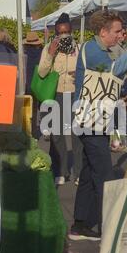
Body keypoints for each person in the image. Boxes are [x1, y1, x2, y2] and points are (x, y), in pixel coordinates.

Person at [69, 10, 127, 241]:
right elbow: (113, 71)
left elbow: (116, 85)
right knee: (104, 175)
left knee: (90, 172)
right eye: (116, 32)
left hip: (95, 120)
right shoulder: (92, 50)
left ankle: (79, 225)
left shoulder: (103, 50)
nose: (120, 36)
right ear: (103, 32)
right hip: (90, 120)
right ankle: (109, 228)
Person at [38, 13, 83, 186]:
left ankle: (78, 172)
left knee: (76, 134)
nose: (63, 36)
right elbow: (42, 72)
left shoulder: (78, 48)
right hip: (55, 94)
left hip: (74, 94)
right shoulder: (49, 48)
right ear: (56, 33)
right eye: (60, 33)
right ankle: (61, 171)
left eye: (66, 33)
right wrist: (50, 54)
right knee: (57, 134)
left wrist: (77, 74)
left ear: (71, 32)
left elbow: (85, 70)